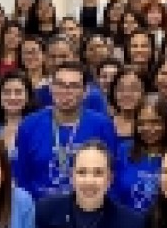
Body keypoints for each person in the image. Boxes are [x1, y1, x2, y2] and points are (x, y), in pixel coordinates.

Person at [15, 62, 116, 199]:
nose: (66, 91)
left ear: (85, 92)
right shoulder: (29, 125)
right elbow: (22, 178)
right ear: (51, 88)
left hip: (87, 206)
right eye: (60, 85)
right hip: (40, 209)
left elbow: (110, 175)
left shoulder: (102, 125)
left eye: (74, 86)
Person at [112, 100, 167, 214]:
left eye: (155, 122)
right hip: (125, 221)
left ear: (166, 123)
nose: (148, 128)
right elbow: (112, 192)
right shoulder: (123, 150)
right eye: (141, 123)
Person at [108, 67, 146, 143]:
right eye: (121, 89)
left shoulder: (151, 126)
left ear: (143, 92)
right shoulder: (105, 123)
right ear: (114, 93)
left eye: (134, 89)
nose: (127, 94)